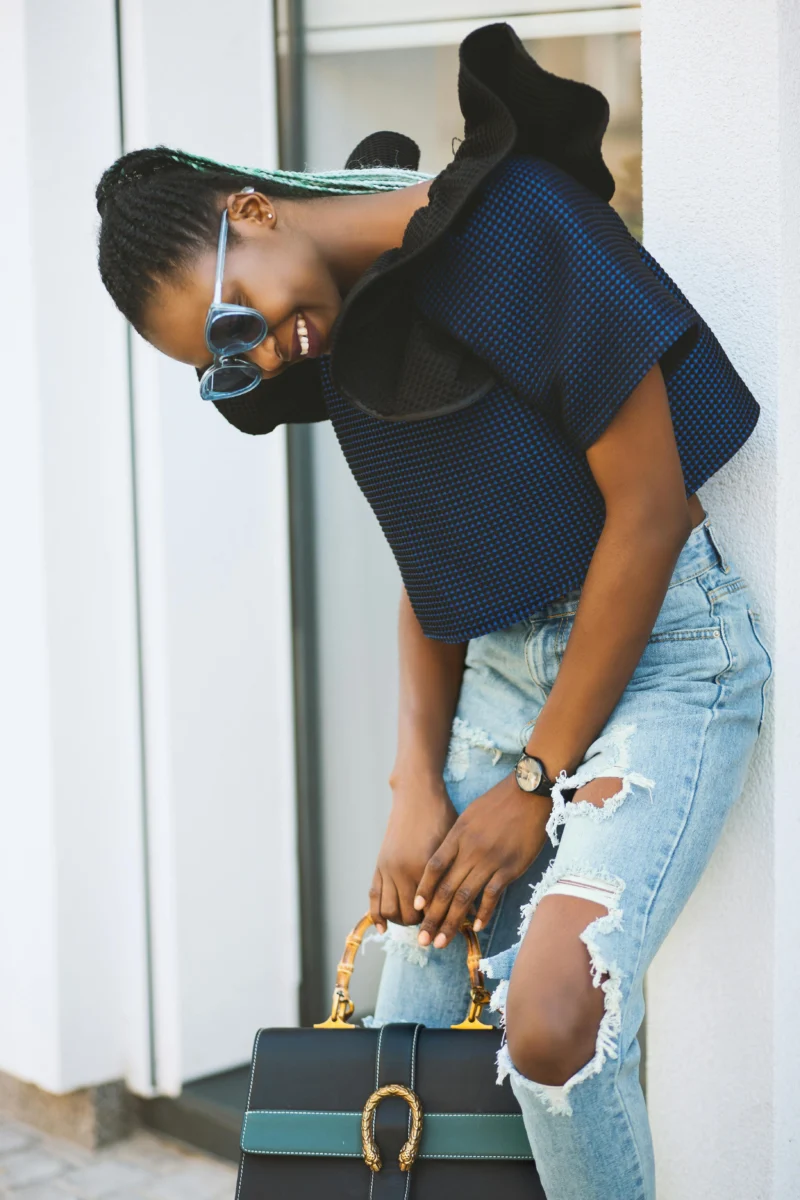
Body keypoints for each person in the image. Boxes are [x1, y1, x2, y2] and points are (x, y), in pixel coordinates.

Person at [94, 23, 771, 1200]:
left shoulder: (514, 225)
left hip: (666, 655)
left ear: (251, 211)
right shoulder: (342, 337)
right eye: (224, 367)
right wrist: (412, 786)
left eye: (231, 325)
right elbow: (433, 565)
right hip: (497, 675)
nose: (258, 358)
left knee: (548, 1020)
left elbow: (651, 512)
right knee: (402, 1009)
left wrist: (527, 787)